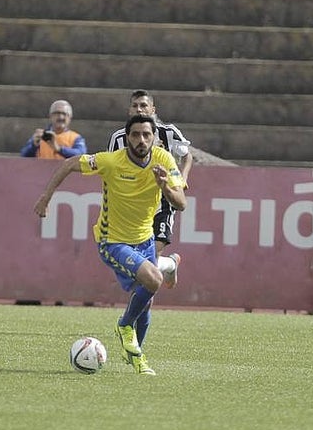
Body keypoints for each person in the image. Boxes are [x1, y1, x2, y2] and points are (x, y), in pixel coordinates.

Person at [34, 114, 186, 376]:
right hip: (112, 241)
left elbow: (181, 202)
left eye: (146, 135)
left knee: (146, 301)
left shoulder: (164, 160)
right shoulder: (111, 161)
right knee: (152, 281)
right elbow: (70, 164)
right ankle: (125, 325)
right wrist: (45, 198)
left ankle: (137, 356)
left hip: (145, 239)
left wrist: (165, 186)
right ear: (127, 138)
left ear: (154, 138)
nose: (141, 140)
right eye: (136, 135)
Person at [106, 89, 193, 286]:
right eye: (135, 105)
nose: (140, 109)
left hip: (163, 198)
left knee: (150, 256)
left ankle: (138, 309)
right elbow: (110, 170)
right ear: (129, 111)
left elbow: (187, 155)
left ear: (153, 109)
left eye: (144, 105)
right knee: (141, 262)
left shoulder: (168, 132)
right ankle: (170, 264)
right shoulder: (118, 138)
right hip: (135, 202)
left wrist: (182, 178)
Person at [20, 99, 86, 159]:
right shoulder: (42, 136)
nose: (60, 117)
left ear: (70, 117)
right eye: (57, 113)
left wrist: (59, 149)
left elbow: (81, 155)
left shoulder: (75, 138)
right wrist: (33, 146)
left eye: (64, 114)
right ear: (51, 116)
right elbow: (24, 156)